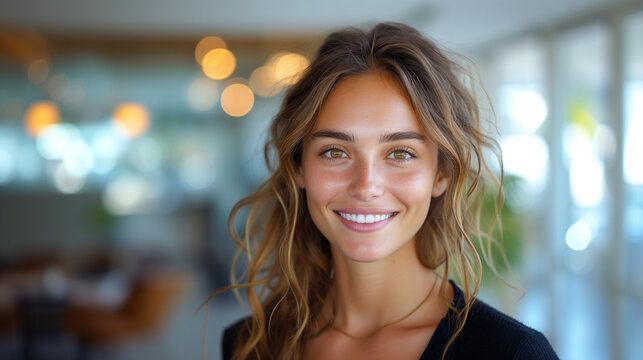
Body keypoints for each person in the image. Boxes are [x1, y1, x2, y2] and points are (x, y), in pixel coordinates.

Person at [215, 22, 558, 359]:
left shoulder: (511, 353)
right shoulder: (251, 345)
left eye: (400, 154)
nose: (366, 186)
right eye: (335, 152)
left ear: (442, 174)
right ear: (299, 167)